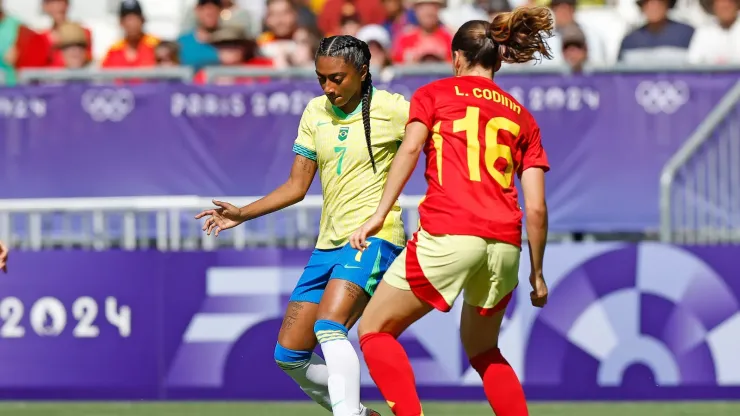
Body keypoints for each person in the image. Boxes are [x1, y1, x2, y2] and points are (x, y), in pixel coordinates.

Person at [349, 8, 554, 416]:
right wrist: (536, 271)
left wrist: (378, 213)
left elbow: (409, 150)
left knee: (375, 330)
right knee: (484, 350)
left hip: (449, 234)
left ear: (456, 57)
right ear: (498, 59)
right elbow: (536, 207)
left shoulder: (434, 94)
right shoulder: (522, 117)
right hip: (504, 248)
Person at [195, 35, 409, 416]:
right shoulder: (315, 112)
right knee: (289, 355)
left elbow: (440, 143)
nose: (328, 88)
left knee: (330, 326)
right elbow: (297, 186)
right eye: (321, 78)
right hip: (328, 245)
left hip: (374, 237)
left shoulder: (393, 109)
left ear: (362, 72)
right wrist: (243, 213)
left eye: (337, 79)